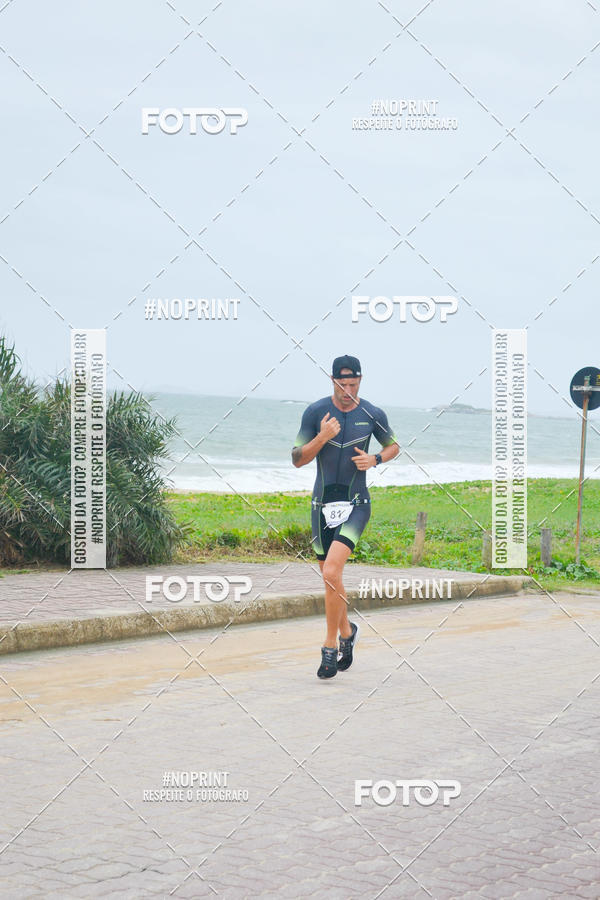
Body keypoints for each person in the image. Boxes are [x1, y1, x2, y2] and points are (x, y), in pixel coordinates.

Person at [292, 355, 399, 679]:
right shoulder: (315, 412)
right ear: (333, 380)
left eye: (354, 384)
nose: (348, 390)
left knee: (334, 569)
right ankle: (348, 632)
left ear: (360, 381)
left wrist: (376, 458)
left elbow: (394, 446)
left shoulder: (372, 414)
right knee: (329, 576)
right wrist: (323, 436)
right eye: (343, 384)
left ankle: (330, 647)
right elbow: (297, 459)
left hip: (356, 503)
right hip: (321, 505)